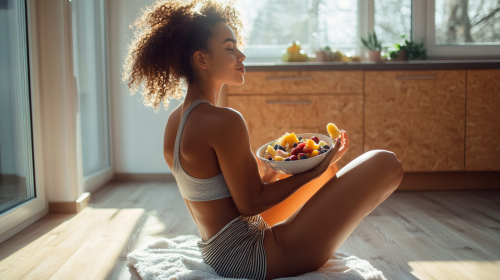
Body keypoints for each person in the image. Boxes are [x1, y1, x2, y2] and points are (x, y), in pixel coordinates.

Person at [122, 1, 404, 279]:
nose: (241, 55)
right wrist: (314, 169)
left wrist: (273, 174)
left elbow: (227, 202)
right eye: (230, 49)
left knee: (326, 174)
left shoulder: (176, 121)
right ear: (202, 59)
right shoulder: (224, 121)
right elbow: (250, 204)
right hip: (251, 259)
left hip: (218, 252)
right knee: (385, 163)